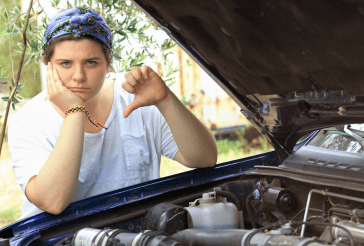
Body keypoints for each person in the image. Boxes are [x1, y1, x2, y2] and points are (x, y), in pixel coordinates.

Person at [8, 7, 218, 219]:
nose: (78, 76)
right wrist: (74, 112)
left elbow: (204, 158)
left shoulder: (135, 97)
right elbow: (52, 201)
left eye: (91, 62)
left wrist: (165, 101)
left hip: (135, 238)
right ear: (49, 65)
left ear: (108, 64)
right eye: (66, 64)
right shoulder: (28, 122)